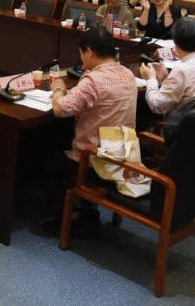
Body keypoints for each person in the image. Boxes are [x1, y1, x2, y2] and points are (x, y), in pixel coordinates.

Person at [45, 27, 137, 234]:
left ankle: (67, 219)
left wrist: (58, 89)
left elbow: (60, 109)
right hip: (123, 155)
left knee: (47, 159)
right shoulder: (127, 74)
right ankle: (87, 210)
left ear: (89, 52)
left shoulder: (94, 80)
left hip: (93, 160)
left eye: (81, 53)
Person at [141, 17, 195, 117]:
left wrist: (150, 79)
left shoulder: (181, 70)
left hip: (184, 123)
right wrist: (165, 79)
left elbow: (157, 106)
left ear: (176, 42)